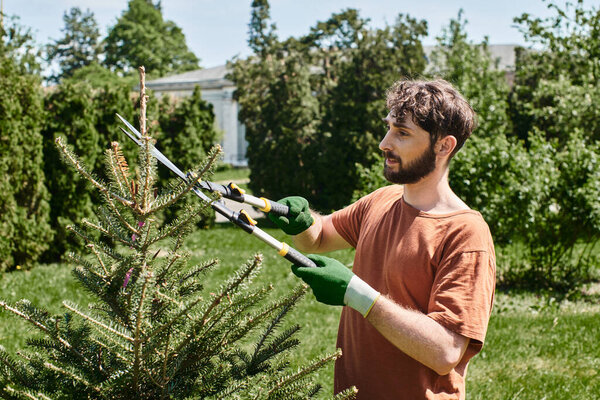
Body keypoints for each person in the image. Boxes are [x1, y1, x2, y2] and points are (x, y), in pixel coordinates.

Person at [269, 79, 496, 399]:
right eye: (389, 128)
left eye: (402, 133)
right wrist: (303, 223)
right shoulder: (382, 200)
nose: (384, 143)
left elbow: (446, 352)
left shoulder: (465, 234)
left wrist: (355, 293)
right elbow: (318, 239)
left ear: (444, 146)